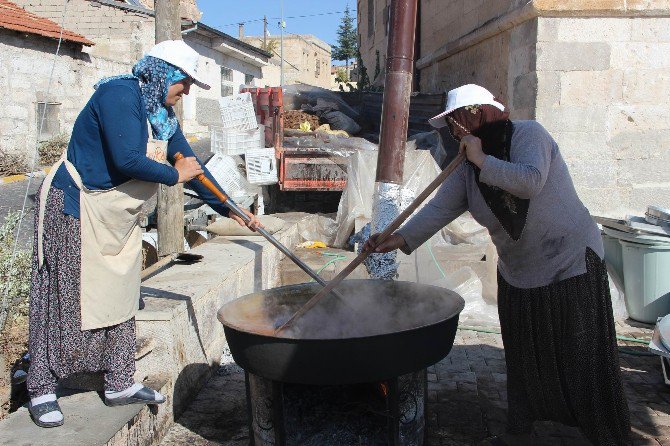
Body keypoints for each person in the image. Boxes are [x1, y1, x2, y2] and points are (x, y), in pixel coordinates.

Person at [364, 84, 631, 445]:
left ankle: (605, 437)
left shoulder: (529, 135)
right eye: (452, 126)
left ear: (477, 113)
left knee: (582, 357)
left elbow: (530, 182)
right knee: (525, 360)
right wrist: (393, 240)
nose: (455, 131)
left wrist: (481, 160)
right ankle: (525, 434)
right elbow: (439, 210)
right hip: (519, 272)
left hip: (570, 262)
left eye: (457, 122)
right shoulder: (465, 167)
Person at [27, 40, 261, 428]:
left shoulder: (162, 115)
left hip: (114, 217)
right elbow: (127, 160)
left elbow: (194, 167)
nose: (186, 91)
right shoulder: (118, 94)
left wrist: (234, 209)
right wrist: (173, 174)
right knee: (63, 295)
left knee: (121, 296)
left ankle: (119, 381)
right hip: (75, 206)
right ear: (163, 72)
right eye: (185, 82)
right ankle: (42, 388)